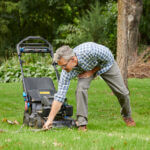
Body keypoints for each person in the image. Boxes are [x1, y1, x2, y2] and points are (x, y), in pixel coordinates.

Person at [43, 42, 136, 131]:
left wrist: (92, 71)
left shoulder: (90, 50)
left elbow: (109, 58)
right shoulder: (66, 72)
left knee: (122, 92)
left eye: (64, 65)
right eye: (61, 66)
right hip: (85, 70)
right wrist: (50, 120)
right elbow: (60, 96)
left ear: (73, 59)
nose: (62, 69)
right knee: (80, 89)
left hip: (106, 66)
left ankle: (127, 116)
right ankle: (82, 123)